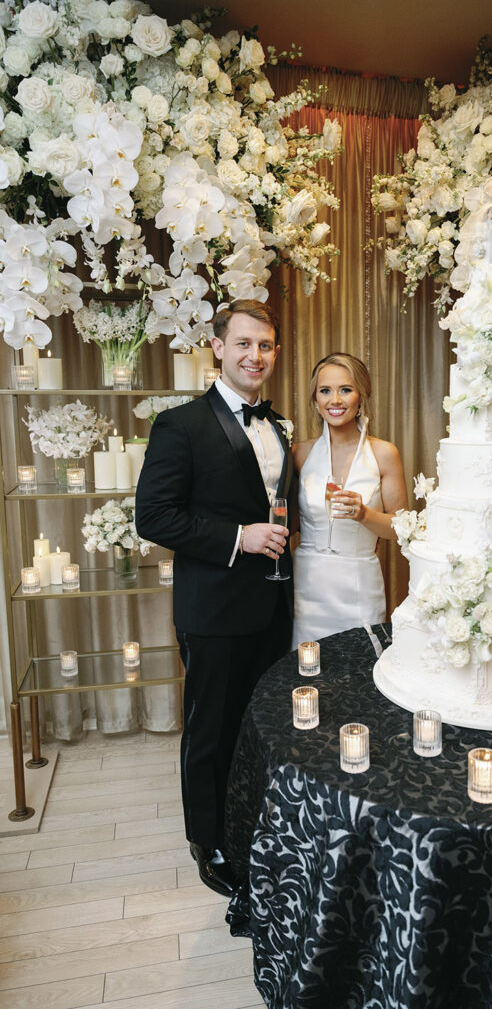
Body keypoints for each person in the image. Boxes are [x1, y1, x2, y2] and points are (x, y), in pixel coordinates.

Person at [135, 299, 294, 898]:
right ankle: (209, 842)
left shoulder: (277, 426)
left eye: (267, 346)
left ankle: (250, 822)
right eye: (246, 344)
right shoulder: (181, 424)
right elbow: (153, 517)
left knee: (260, 727)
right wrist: (239, 538)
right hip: (215, 609)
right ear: (219, 349)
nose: (257, 356)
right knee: (211, 730)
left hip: (274, 606)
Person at [291, 353, 408, 647]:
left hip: (359, 583)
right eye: (325, 391)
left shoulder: (383, 453)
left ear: (361, 396)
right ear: (315, 400)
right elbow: (286, 519)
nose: (335, 400)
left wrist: (364, 514)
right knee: (306, 670)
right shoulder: (299, 454)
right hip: (308, 585)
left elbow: (401, 528)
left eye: (345, 389)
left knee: (360, 672)